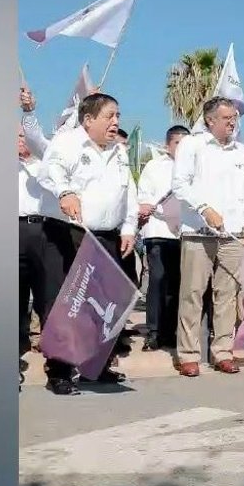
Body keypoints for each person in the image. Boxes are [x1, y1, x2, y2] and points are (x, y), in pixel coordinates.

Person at [36, 92, 139, 395]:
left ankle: (96, 367)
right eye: (110, 116)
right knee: (68, 305)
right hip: (69, 233)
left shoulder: (118, 152)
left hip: (108, 238)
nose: (116, 122)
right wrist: (65, 192)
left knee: (103, 305)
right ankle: (59, 371)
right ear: (88, 119)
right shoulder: (67, 143)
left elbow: (128, 192)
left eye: (117, 116)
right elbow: (50, 171)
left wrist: (129, 227)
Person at [170, 97, 244, 378]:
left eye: (234, 118)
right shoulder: (192, 145)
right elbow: (179, 184)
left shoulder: (240, 151)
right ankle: (188, 354)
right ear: (210, 120)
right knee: (193, 294)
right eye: (226, 118)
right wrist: (205, 208)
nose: (232, 122)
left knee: (227, 296)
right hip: (198, 232)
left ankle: (222, 351)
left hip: (233, 234)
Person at [136, 125, 190, 351]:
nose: (182, 148)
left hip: (185, 233)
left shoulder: (195, 168)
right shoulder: (154, 166)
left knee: (179, 284)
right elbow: (145, 198)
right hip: (159, 232)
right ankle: (154, 332)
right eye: (178, 143)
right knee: (158, 281)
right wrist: (160, 207)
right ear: (168, 144)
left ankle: (171, 331)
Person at [18, 87, 53, 387]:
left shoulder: (45, 161)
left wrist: (28, 112)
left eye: (23, 135)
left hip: (43, 231)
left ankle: (55, 357)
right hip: (12, 231)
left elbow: (38, 137)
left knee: (47, 294)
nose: (21, 140)